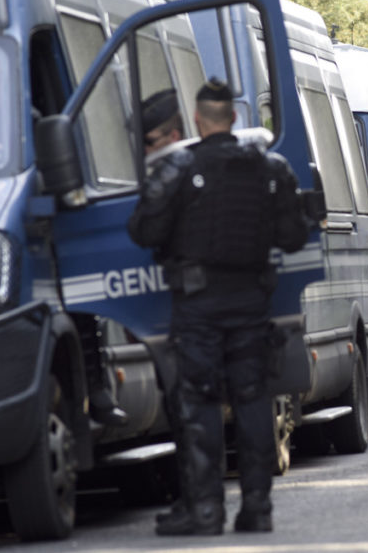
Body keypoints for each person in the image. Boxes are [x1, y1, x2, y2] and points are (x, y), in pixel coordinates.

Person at [128, 79, 310, 536]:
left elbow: (143, 231)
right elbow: (293, 237)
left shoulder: (178, 169)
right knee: (252, 402)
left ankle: (206, 511)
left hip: (198, 307)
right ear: (234, 117)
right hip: (251, 302)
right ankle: (257, 509)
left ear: (196, 121)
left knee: (198, 405)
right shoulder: (271, 168)